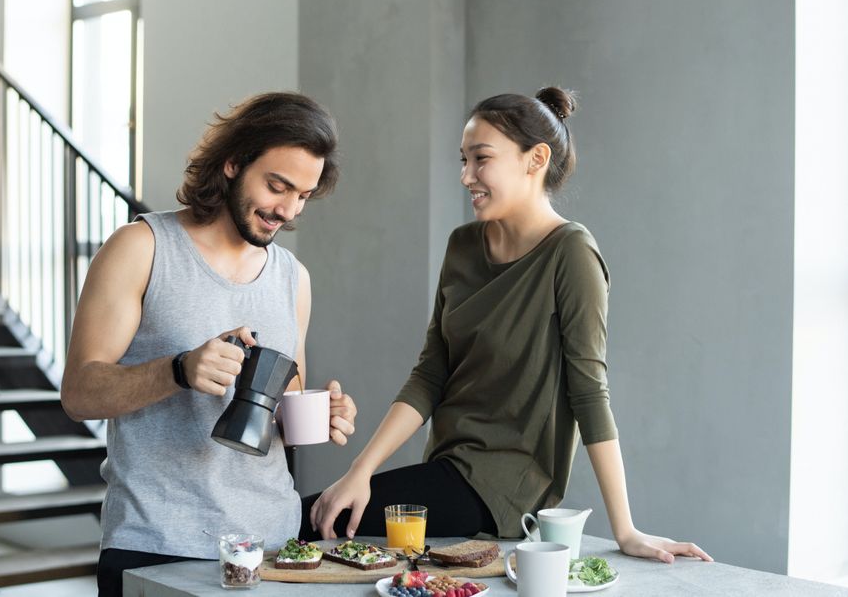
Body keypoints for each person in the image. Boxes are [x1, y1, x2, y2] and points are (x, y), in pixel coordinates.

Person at [303, 88, 711, 564]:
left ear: (535, 159)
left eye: (481, 160)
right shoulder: (462, 246)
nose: (465, 176)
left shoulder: (571, 253)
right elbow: (429, 375)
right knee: (320, 516)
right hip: (447, 472)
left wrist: (625, 529)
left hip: (502, 492)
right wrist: (360, 471)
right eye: (463, 160)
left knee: (307, 518)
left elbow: (589, 393)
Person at [60, 92, 359, 596]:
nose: (286, 210)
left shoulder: (293, 278)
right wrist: (178, 370)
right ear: (232, 163)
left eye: (303, 195)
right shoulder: (142, 248)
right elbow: (79, 393)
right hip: (157, 544)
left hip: (274, 546)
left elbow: (285, 405)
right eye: (276, 186)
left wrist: (323, 413)